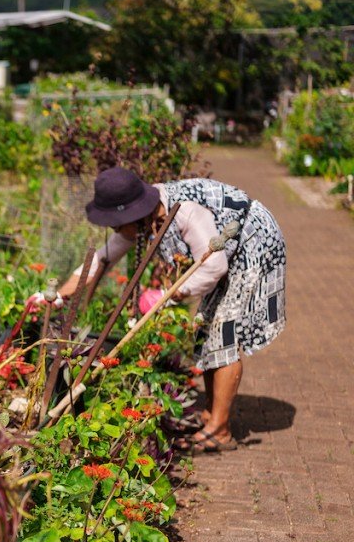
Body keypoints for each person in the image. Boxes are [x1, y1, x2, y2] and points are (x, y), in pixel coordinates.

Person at [54, 166, 287, 453]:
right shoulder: (144, 219)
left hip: (253, 242)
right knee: (205, 327)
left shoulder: (185, 212)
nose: (114, 229)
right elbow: (100, 261)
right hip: (227, 251)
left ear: (131, 214)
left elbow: (215, 266)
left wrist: (165, 296)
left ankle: (221, 429)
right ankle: (209, 415)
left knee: (224, 330)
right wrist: (53, 296)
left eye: (115, 223)